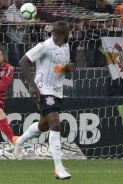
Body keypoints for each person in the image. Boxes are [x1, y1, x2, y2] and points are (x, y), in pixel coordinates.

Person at [14, 21, 75, 180]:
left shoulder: (66, 46)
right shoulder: (44, 46)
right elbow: (23, 61)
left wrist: (67, 68)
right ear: (65, 33)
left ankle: (19, 141)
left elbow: (60, 67)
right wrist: (32, 85)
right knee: (55, 124)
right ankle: (58, 168)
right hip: (43, 89)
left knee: (44, 125)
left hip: (57, 90)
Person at [85, 0, 114, 67]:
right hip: (91, 39)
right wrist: (100, 26)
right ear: (97, 1)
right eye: (101, 1)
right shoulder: (90, 7)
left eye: (104, 1)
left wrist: (104, 26)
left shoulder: (109, 7)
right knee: (90, 62)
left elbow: (111, 21)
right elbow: (87, 22)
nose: (103, 3)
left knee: (101, 62)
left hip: (104, 40)